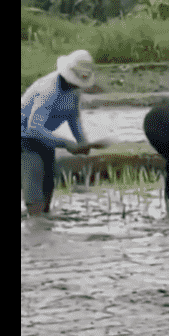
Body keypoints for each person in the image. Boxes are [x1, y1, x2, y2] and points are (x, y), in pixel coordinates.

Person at [21, 50, 105, 231]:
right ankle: (35, 229)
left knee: (49, 181)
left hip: (45, 136)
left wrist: (82, 141)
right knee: (34, 181)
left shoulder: (73, 91)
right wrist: (67, 144)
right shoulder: (48, 90)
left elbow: (73, 117)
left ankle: (43, 225)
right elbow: (33, 128)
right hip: (25, 137)